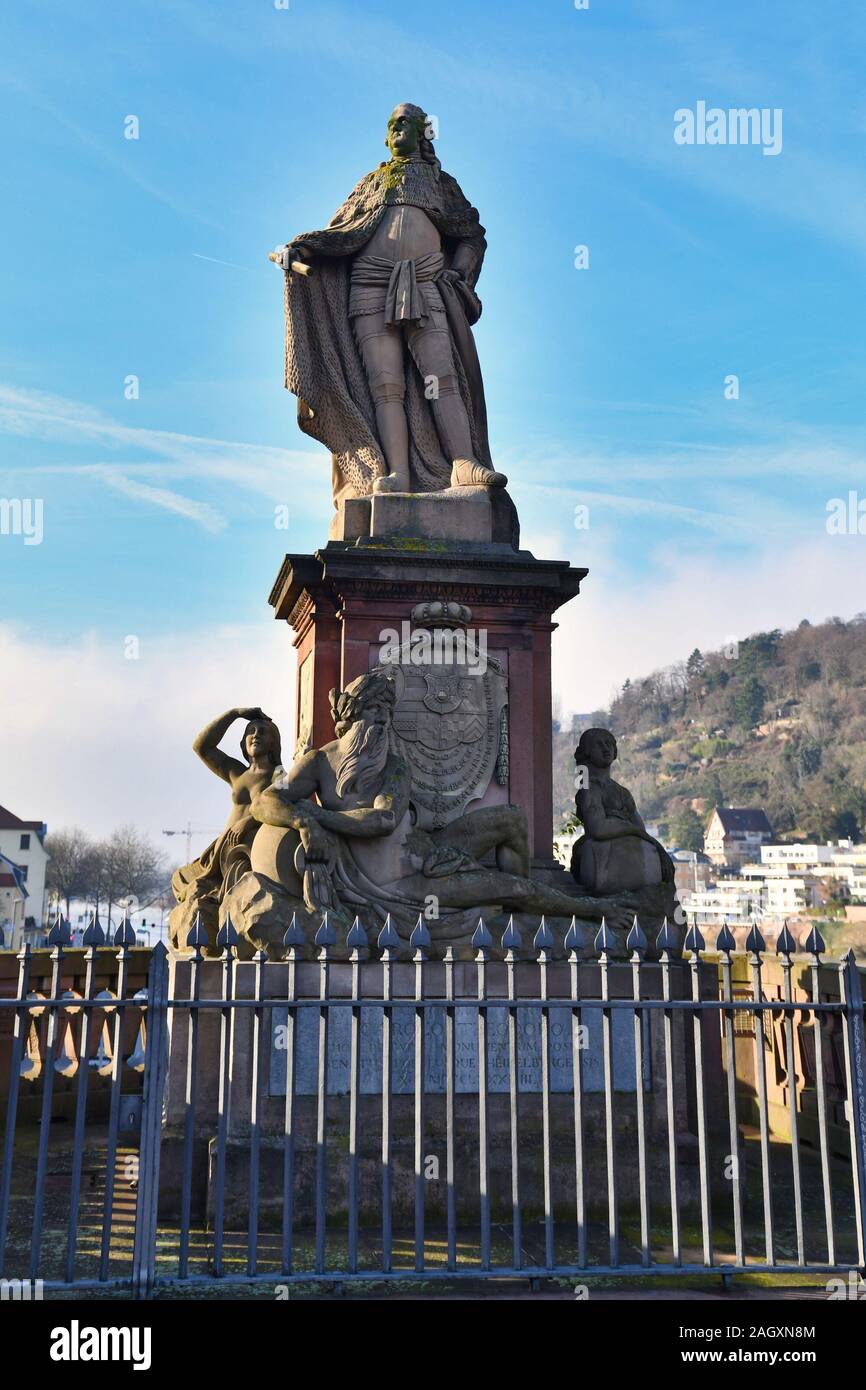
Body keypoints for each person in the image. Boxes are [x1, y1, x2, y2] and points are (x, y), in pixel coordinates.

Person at [275, 103, 507, 504]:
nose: (399, 126)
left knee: (441, 378)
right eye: (393, 123)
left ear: (423, 133)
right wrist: (301, 249)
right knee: (385, 387)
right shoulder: (371, 183)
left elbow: (471, 233)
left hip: (425, 281)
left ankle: (464, 462)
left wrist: (458, 272)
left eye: (407, 121)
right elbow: (341, 232)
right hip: (370, 285)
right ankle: (395, 470)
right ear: (386, 137)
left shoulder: (441, 184)